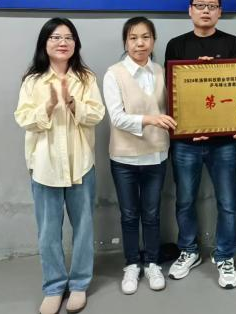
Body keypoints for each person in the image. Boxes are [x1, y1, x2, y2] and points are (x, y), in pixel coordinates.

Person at [14, 18, 105, 314]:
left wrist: (72, 102)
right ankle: (53, 287)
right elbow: (24, 119)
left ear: (76, 43)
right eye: (55, 37)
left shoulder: (86, 78)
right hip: (45, 166)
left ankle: (79, 284)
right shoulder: (32, 81)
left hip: (81, 165)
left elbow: (97, 115)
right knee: (48, 232)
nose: (62, 42)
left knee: (83, 228)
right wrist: (50, 105)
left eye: (68, 37)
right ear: (45, 43)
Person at [164, 0, 236, 289]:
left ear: (219, 12)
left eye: (212, 6)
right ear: (190, 10)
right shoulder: (176, 45)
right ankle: (189, 250)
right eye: (200, 5)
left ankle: (225, 255)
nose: (205, 10)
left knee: (227, 201)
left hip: (224, 141)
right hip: (186, 140)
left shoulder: (232, 44)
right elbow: (173, 91)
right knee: (185, 200)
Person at [102, 17, 175, 295]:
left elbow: (175, 107)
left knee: (152, 214)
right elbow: (117, 117)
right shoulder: (114, 74)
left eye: (146, 37)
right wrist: (150, 119)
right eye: (133, 38)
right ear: (125, 42)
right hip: (124, 158)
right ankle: (132, 264)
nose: (140, 43)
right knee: (130, 215)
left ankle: (153, 262)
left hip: (156, 154)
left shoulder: (161, 71)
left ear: (153, 41)